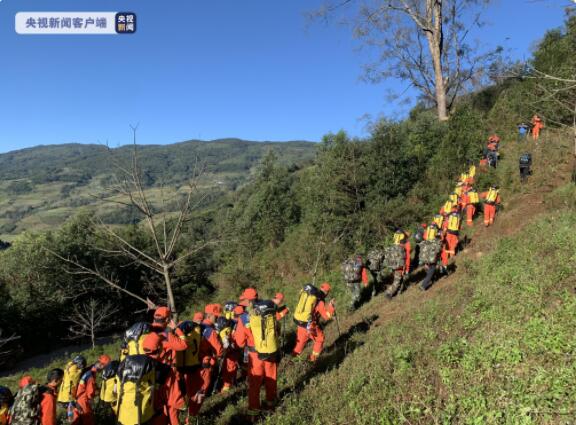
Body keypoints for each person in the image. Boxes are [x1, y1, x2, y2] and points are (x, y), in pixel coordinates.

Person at [234, 288, 279, 422]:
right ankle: (270, 406)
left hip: (255, 355)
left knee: (255, 384)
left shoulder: (243, 317)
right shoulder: (268, 309)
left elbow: (240, 343)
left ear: (247, 301)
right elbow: (276, 328)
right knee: (272, 378)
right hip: (270, 350)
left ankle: (254, 413)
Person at [150, 306, 189, 425]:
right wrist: (176, 329)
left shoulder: (147, 332)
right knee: (172, 406)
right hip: (167, 375)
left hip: (151, 375)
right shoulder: (166, 335)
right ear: (167, 320)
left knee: (157, 407)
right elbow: (183, 345)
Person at [185, 304, 224, 420]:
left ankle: (188, 414)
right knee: (201, 391)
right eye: (216, 317)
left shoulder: (196, 327)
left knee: (192, 392)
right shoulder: (210, 331)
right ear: (210, 315)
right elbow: (219, 351)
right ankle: (191, 418)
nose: (217, 319)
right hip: (204, 366)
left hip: (191, 364)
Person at [291, 283, 335, 362]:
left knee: (300, 343)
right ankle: (313, 360)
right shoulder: (320, 300)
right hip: (311, 325)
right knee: (320, 339)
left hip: (301, 323)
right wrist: (331, 307)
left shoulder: (311, 295)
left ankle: (292, 360)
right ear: (327, 292)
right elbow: (326, 316)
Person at [73, 355, 111, 425]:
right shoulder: (91, 376)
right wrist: (99, 393)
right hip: (83, 401)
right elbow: (90, 394)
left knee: (77, 421)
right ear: (101, 365)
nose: (104, 370)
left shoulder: (89, 369)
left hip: (77, 398)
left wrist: (96, 388)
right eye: (104, 367)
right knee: (88, 421)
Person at [385, 230, 411, 299]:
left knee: (400, 279)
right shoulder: (405, 246)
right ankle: (389, 293)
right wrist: (407, 268)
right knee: (397, 281)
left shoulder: (395, 245)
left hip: (393, 265)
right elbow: (407, 258)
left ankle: (399, 292)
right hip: (400, 266)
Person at [419, 224, 442, 291]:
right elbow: (438, 249)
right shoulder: (436, 239)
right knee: (432, 268)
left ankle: (432, 278)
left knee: (429, 267)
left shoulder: (426, 236)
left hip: (425, 255)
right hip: (432, 257)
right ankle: (423, 285)